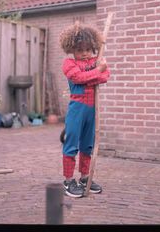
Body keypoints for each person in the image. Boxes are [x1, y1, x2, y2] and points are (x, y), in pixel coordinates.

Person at [59, 22, 110, 198]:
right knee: (71, 144)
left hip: (91, 109)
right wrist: (96, 72)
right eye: (80, 50)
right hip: (77, 108)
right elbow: (78, 77)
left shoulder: (96, 61)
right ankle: (68, 180)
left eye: (88, 49)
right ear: (72, 49)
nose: (85, 53)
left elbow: (105, 76)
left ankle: (84, 177)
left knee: (87, 145)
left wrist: (96, 72)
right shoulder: (68, 63)